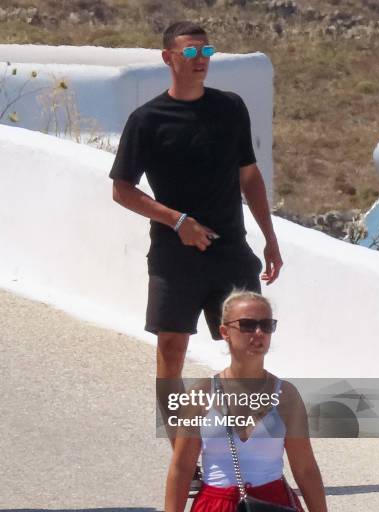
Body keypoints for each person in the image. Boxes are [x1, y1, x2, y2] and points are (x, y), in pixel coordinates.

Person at [109, 21, 283, 383]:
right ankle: (179, 439)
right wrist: (177, 221)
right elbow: (122, 189)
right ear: (168, 57)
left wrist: (270, 238)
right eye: (190, 51)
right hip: (175, 257)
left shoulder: (230, 108)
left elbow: (249, 176)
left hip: (231, 251)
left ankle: (243, 434)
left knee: (250, 343)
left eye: (206, 51)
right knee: (172, 350)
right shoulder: (147, 121)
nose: (200, 59)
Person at [161, 291, 340, 512]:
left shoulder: (286, 396)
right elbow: (181, 468)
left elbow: (306, 470)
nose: (258, 333)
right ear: (224, 331)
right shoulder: (201, 395)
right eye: (248, 325)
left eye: (266, 326)